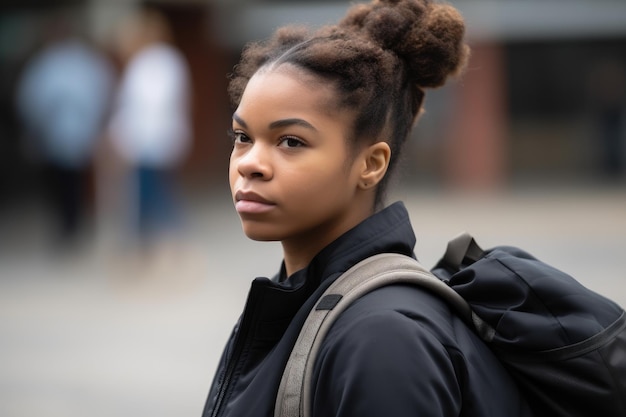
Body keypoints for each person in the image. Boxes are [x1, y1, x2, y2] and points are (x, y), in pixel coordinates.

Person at [203, 0, 533, 416]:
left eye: (291, 141)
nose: (250, 163)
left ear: (371, 163)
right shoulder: (297, 300)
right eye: (242, 136)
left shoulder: (382, 337)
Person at [16, 31, 114, 244]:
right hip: (68, 135)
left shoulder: (46, 65)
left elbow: (30, 100)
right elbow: (102, 92)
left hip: (61, 135)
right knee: (72, 183)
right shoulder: (81, 63)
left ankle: (69, 226)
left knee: (64, 184)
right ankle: (73, 225)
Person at [107, 9, 191, 245]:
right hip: (150, 142)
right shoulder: (158, 61)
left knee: (152, 198)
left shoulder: (154, 62)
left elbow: (150, 108)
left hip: (150, 143)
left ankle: (162, 245)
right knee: (155, 196)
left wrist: (127, 140)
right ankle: (155, 246)